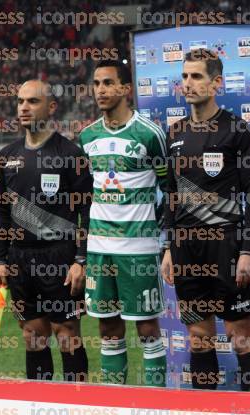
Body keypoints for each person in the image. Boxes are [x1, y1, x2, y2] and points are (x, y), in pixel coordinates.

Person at [160, 49, 250, 391]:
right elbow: (171, 198)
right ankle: (206, 412)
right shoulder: (174, 133)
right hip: (186, 250)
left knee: (240, 334)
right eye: (185, 76)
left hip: (227, 246)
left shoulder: (238, 131)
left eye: (196, 76)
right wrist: (168, 248)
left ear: (216, 82)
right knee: (198, 336)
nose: (188, 83)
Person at [0, 80, 92, 382]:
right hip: (19, 258)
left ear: (50, 107)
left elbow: (87, 212)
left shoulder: (70, 154)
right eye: (21, 101)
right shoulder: (6, 156)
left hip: (60, 257)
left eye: (33, 101)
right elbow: (2, 211)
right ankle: (40, 408)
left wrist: (81, 260)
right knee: (33, 335)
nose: (24, 107)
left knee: (67, 333)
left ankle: (79, 405)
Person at [79, 60, 168, 386]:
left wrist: (163, 239)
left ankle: (157, 405)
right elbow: (82, 196)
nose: (100, 90)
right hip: (99, 250)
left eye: (108, 83)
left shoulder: (150, 133)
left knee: (146, 327)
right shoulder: (87, 137)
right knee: (107, 327)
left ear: (126, 89)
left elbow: (169, 189)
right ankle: (114, 401)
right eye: (97, 83)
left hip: (139, 250)